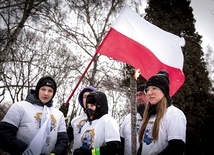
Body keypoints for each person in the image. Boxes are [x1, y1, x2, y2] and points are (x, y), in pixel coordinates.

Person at [0, 76, 69, 155]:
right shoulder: (20, 106)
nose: (46, 93)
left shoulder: (59, 114)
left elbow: (63, 141)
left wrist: (55, 153)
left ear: (53, 93)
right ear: (37, 90)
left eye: (50, 91)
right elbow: (3, 134)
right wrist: (25, 150)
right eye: (43, 89)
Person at [137, 70, 187, 155]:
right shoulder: (150, 115)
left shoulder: (174, 114)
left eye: (154, 88)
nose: (149, 93)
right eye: (147, 90)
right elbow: (144, 146)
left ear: (164, 91)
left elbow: (176, 148)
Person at [73, 91, 121, 155]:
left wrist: (91, 153)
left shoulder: (107, 120)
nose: (89, 109)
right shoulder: (86, 125)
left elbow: (113, 148)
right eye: (88, 106)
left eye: (92, 106)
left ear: (99, 106)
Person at [120, 83, 148, 155]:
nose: (138, 98)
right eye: (137, 95)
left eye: (141, 94)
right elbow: (121, 141)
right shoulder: (128, 118)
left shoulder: (155, 116)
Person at [67, 86, 96, 154]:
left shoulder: (102, 120)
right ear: (81, 100)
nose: (87, 99)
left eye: (90, 96)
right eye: (85, 96)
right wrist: (62, 118)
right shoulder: (74, 121)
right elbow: (65, 139)